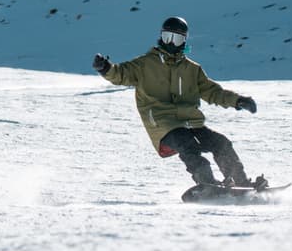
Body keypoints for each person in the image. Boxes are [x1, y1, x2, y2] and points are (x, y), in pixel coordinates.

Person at [92, 16, 266, 190]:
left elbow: (213, 92)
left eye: (178, 39)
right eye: (168, 37)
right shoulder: (145, 64)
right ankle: (208, 183)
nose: (172, 43)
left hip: (192, 123)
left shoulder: (192, 69)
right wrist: (106, 68)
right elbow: (121, 74)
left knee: (220, 143)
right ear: (161, 37)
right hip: (163, 124)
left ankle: (241, 183)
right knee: (187, 143)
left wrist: (238, 101)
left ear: (184, 41)